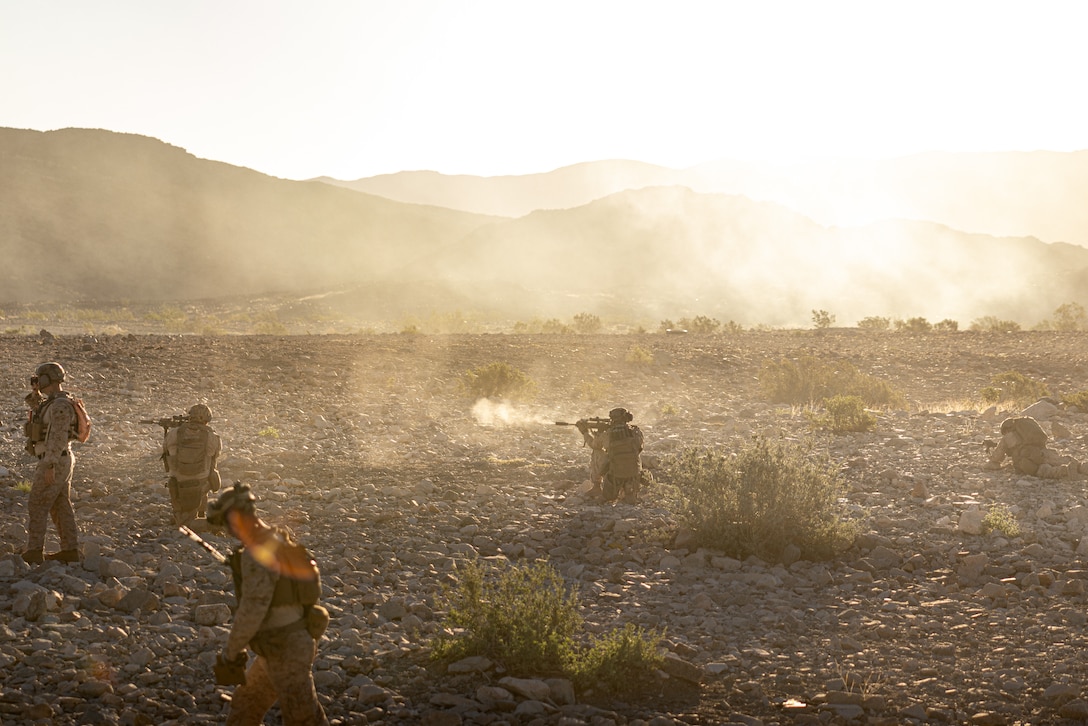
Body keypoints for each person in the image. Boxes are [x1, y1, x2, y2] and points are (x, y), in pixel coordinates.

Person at [206, 482, 330, 726]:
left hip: (285, 648)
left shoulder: (256, 552)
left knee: (303, 718)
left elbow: (253, 607)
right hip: (280, 645)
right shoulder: (277, 538)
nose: (229, 532)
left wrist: (232, 651)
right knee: (246, 703)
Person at [21, 362, 82, 564]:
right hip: (60, 458)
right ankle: (70, 550)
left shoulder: (60, 406)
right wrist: (35, 393)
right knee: (60, 504)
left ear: (48, 378)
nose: (38, 381)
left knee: (37, 502)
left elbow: (58, 436)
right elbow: (39, 411)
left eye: (40, 378)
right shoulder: (55, 402)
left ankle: (34, 550)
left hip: (55, 459)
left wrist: (50, 465)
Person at [164, 403, 222, 526]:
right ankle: (201, 514)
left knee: (174, 481)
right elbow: (214, 458)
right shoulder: (212, 436)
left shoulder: (174, 433)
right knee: (210, 476)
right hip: (200, 481)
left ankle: (184, 514)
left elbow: (167, 453)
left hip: (178, 480)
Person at [578, 407, 645, 504]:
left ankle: (597, 486)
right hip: (633, 474)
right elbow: (639, 448)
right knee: (634, 455)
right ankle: (626, 491)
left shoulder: (608, 434)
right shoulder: (636, 431)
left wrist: (585, 432)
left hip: (615, 475)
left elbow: (594, 444)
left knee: (597, 451)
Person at [985, 416, 1086, 479]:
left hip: (1030, 458)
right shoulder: (1026, 432)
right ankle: (1082, 467)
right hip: (1043, 452)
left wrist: (990, 459)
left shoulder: (1007, 437)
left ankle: (1065, 470)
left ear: (1006, 429)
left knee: (1044, 471)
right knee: (1060, 459)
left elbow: (996, 458)